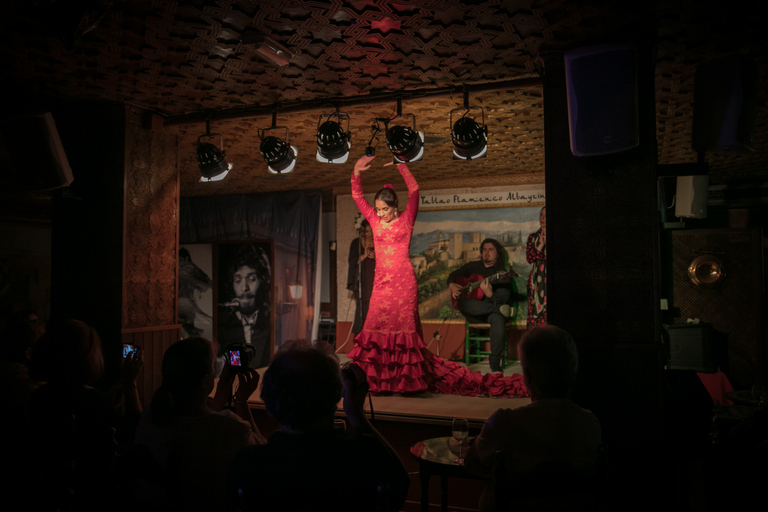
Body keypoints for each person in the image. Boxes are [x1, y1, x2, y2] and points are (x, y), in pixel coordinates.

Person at [348, 155, 527, 397]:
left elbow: (414, 190)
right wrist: (356, 172)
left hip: (403, 286)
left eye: (385, 209)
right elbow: (358, 197)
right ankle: (380, 381)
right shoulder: (375, 221)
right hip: (381, 287)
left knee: (404, 335)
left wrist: (402, 166)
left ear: (395, 206)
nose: (381, 214)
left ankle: (406, 383)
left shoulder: (406, 220)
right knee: (376, 330)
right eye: (378, 210)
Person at [227, 340, 410, 512]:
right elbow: (399, 489)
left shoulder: (248, 464)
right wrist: (356, 415)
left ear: (268, 398)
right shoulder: (364, 456)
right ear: (337, 394)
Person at [464, 325, 602, 512]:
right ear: (573, 371)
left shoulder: (504, 423)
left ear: (527, 376)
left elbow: (472, 464)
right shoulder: (590, 424)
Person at [134, 336, 265, 512]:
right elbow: (264, 457)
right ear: (205, 380)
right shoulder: (233, 429)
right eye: (213, 367)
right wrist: (241, 401)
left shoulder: (151, 415)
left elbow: (199, 421)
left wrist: (219, 395)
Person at [447, 238, 516, 372]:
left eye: (491, 249)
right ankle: (498, 310)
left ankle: (495, 363)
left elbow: (503, 298)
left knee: (498, 318)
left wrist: (490, 294)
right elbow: (454, 274)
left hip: (490, 314)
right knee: (461, 302)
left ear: (497, 253)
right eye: (484, 249)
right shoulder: (473, 266)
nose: (487, 252)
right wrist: (451, 285)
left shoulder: (502, 273)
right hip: (474, 311)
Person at [218, 244, 271, 368]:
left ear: (263, 281)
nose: (244, 288)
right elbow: (236, 365)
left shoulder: (270, 321)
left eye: (251, 279)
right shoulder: (225, 325)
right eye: (238, 280)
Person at [347, 219, 376, 335]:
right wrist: (364, 256)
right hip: (362, 280)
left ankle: (374, 338)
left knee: (376, 308)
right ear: (363, 232)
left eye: (372, 231)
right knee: (362, 307)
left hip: (375, 279)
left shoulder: (380, 242)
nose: (370, 234)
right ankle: (360, 337)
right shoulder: (356, 243)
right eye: (368, 231)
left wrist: (376, 256)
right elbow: (352, 262)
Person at [526, 206, 547, 328]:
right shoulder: (532, 237)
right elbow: (530, 258)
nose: (543, 218)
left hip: (549, 279)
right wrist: (539, 247)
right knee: (535, 315)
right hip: (535, 281)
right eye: (541, 215)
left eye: (546, 215)